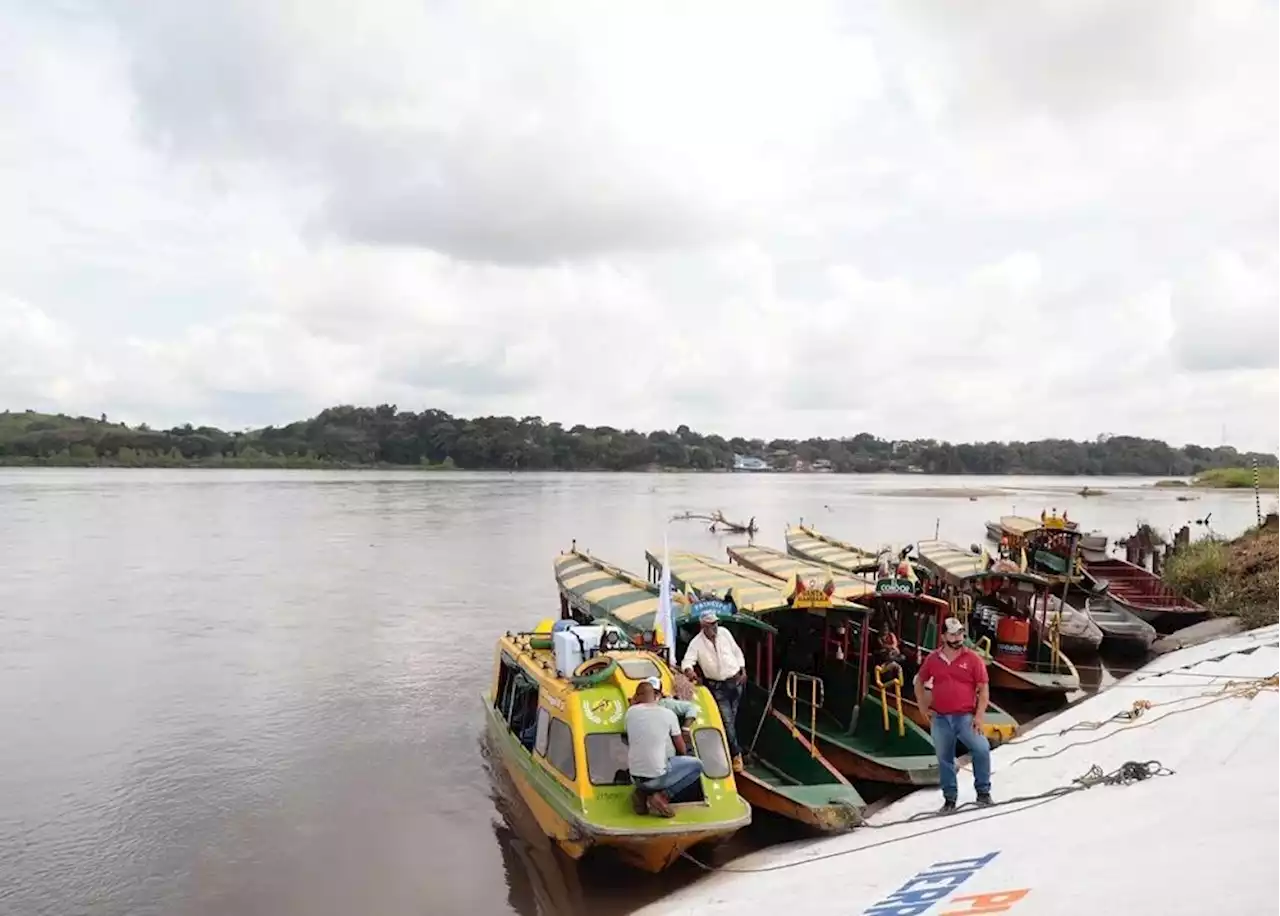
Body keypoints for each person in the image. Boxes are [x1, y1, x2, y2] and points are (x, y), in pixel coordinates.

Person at [913, 616, 993, 813]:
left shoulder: (973, 659)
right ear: (943, 636)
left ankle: (983, 792)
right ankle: (950, 799)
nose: (957, 638)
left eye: (960, 634)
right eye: (953, 634)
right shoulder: (932, 659)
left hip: (965, 716)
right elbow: (918, 682)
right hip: (940, 717)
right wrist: (922, 707)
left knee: (982, 749)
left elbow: (983, 690)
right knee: (944, 758)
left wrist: (979, 717)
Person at [625, 679, 704, 817]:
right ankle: (662, 796)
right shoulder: (669, 714)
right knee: (697, 765)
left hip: (634, 777)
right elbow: (682, 749)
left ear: (637, 697)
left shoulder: (629, 713)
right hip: (657, 778)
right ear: (657, 695)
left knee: (649, 771)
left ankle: (642, 793)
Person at [680, 609, 747, 772]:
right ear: (703, 626)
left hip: (736, 681)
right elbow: (687, 661)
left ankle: (729, 748)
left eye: (715, 623)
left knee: (732, 719)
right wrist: (690, 671)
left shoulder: (725, 633)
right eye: (711, 625)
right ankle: (736, 754)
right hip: (718, 687)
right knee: (727, 721)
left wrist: (743, 669)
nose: (714, 627)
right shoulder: (697, 642)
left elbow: (736, 652)